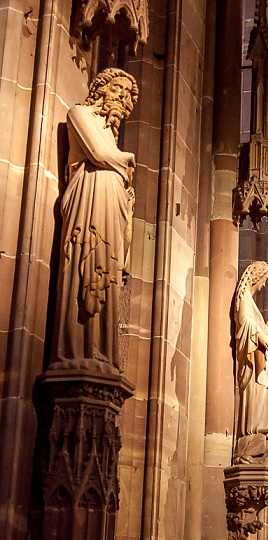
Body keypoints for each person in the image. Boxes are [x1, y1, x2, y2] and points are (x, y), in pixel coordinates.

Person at [50, 68, 139, 373]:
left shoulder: (111, 136)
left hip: (110, 208)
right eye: (117, 89)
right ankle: (74, 348)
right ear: (101, 87)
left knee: (107, 277)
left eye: (126, 96)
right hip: (88, 201)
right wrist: (125, 161)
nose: (121, 98)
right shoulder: (80, 114)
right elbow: (99, 153)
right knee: (82, 268)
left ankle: (101, 349)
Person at [234, 261, 268, 462]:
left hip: (260, 362)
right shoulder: (245, 298)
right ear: (256, 277)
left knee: (265, 400)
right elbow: (245, 323)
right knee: (256, 400)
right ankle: (251, 438)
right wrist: (263, 337)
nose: (264, 286)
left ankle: (262, 438)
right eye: (263, 280)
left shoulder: (252, 301)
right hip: (252, 367)